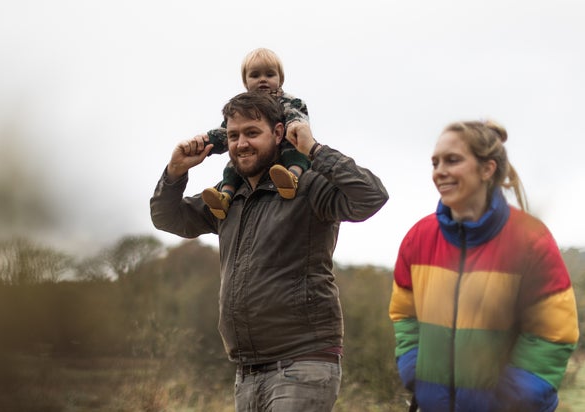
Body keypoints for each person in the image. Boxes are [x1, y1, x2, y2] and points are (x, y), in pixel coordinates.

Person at [150, 91, 388, 411]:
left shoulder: (308, 187)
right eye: (233, 135)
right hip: (247, 373)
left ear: (277, 133)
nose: (241, 143)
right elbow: (167, 217)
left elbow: (371, 196)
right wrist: (175, 172)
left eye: (252, 133)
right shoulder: (226, 201)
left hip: (302, 364)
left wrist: (314, 150)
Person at [389, 119, 579, 412]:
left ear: (487, 169)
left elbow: (554, 333)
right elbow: (404, 313)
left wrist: (509, 397)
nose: (439, 171)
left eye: (452, 160)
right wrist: (414, 368)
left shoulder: (531, 240)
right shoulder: (419, 239)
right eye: (435, 162)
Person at [200, 48, 312, 219]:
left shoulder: (288, 101)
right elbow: (224, 133)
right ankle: (225, 196)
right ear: (245, 82)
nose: (262, 80)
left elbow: (296, 116)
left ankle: (291, 177)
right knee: (233, 164)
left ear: (280, 79)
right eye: (255, 75)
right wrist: (204, 142)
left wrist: (294, 125)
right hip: (256, 161)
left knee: (295, 151)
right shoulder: (241, 108)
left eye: (269, 75)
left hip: (285, 145)